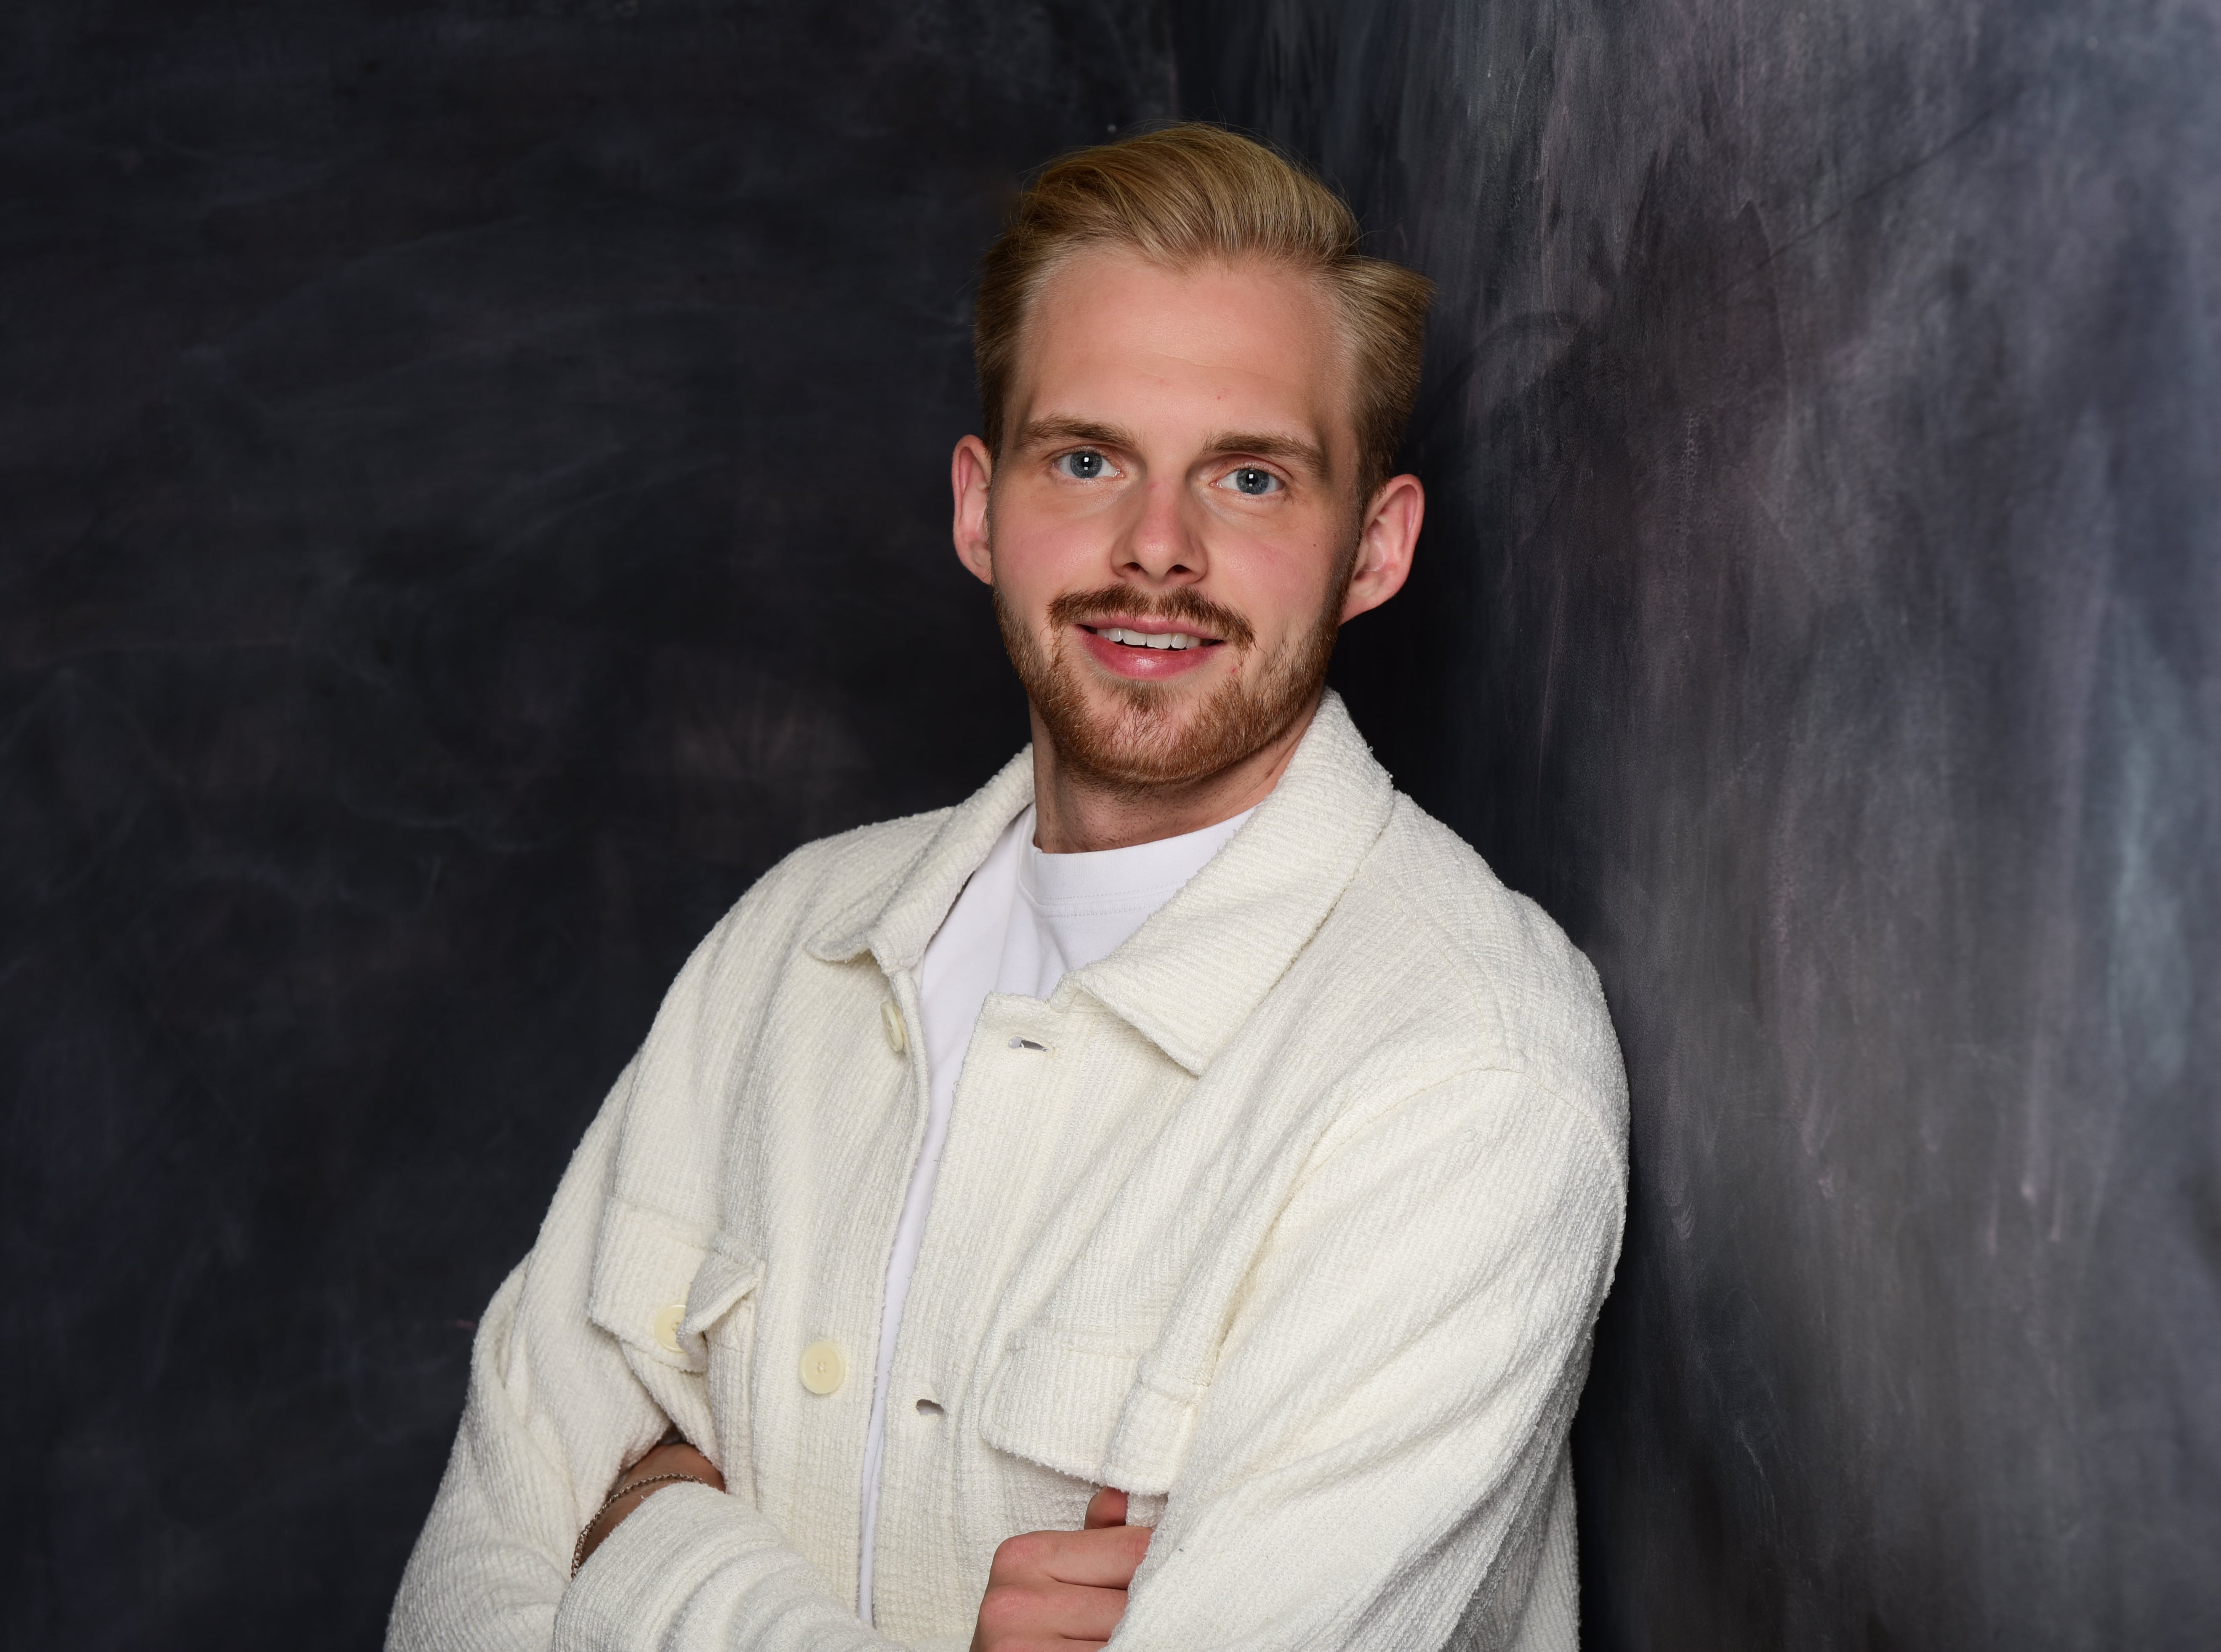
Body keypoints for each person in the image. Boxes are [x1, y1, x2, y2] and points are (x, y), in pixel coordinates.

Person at [389, 123, 1627, 1652]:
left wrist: (655, 1551)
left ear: (1372, 548)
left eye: (1249, 477)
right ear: (981, 508)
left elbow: (571, 1557)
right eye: (1087, 460)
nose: (1155, 550)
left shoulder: (1465, 1071)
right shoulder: (791, 944)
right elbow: (466, 1600)